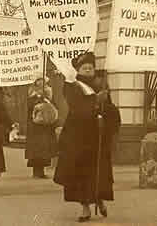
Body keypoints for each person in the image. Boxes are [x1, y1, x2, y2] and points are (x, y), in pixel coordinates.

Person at [53, 52, 121, 222]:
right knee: (81, 174)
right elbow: (77, 109)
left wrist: (106, 109)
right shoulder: (71, 86)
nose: (89, 70)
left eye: (91, 67)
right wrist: (95, 102)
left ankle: (100, 199)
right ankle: (84, 207)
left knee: (99, 171)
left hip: (98, 136)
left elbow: (111, 109)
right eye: (85, 68)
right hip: (79, 137)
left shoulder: (102, 83)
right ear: (78, 70)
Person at [25, 74, 58, 178]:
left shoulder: (49, 92)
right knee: (37, 149)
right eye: (38, 80)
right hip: (35, 126)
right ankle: (36, 171)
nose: (40, 82)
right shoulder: (31, 92)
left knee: (45, 149)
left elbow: (54, 106)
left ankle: (42, 170)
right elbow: (29, 107)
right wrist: (37, 98)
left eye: (42, 80)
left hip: (46, 125)